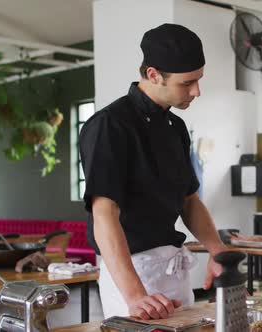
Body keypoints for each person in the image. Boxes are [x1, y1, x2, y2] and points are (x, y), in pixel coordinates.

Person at [79, 23, 226, 320]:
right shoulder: (110, 125)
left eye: (198, 80)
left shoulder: (177, 127)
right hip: (132, 276)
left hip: (173, 270)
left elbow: (189, 200)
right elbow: (104, 214)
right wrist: (135, 296)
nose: (197, 91)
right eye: (187, 83)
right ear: (153, 75)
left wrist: (218, 252)